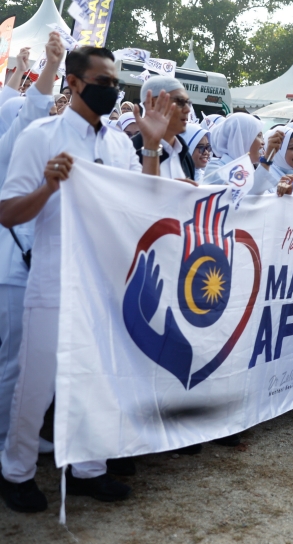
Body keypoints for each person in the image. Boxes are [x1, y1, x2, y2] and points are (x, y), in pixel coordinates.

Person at [0, 44, 176, 513]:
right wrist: (49, 186)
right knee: (36, 385)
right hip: (53, 279)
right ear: (73, 82)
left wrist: (152, 147)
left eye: (116, 83)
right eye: (103, 82)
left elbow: (147, 206)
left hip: (105, 282)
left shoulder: (119, 142)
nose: (112, 91)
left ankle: (88, 469)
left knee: (101, 378)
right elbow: (7, 211)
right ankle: (16, 472)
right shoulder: (41, 135)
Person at [0, 33, 65, 464]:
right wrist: (51, 67)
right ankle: (6, 437)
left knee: (29, 360)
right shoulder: (11, 142)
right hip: (10, 264)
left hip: (35, 261)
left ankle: (20, 431)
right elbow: (31, 110)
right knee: (12, 361)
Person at [130, 77, 196, 181]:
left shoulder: (185, 154)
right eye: (180, 101)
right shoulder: (130, 151)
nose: (188, 109)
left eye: (188, 103)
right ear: (152, 103)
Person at [203, 114, 283, 195]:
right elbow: (244, 197)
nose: (263, 142)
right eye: (258, 136)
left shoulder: (250, 169)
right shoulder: (215, 170)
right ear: (240, 139)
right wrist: (267, 160)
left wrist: (282, 192)